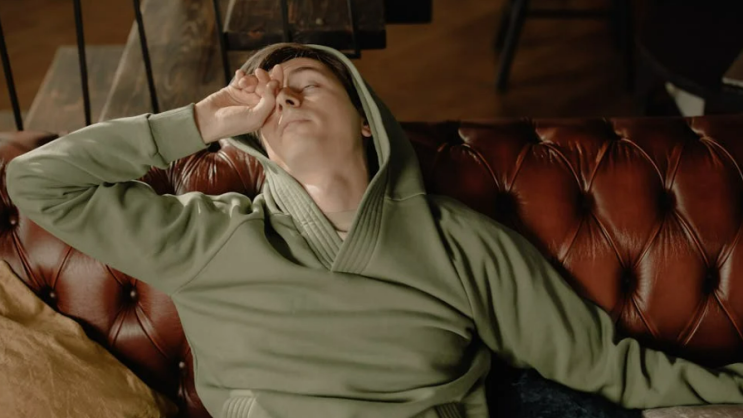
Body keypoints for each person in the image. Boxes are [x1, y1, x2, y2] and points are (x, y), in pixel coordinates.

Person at [6, 43, 743, 418]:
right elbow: (37, 182)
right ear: (257, 143)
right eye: (269, 101)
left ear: (365, 120)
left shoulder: (461, 243)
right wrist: (201, 119)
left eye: (307, 85)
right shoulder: (205, 236)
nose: (286, 99)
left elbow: (598, 364)